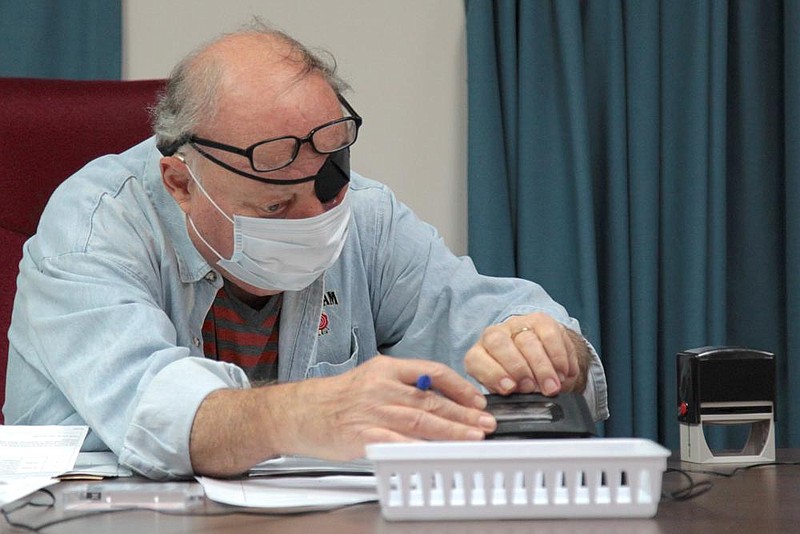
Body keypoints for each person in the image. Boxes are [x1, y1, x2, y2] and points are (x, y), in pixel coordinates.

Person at [4, 22, 608, 480]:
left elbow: (488, 313)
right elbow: (155, 412)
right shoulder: (92, 228)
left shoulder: (363, 214)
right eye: (275, 209)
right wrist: (308, 414)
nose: (315, 222)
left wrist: (549, 350)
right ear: (181, 184)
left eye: (326, 192)